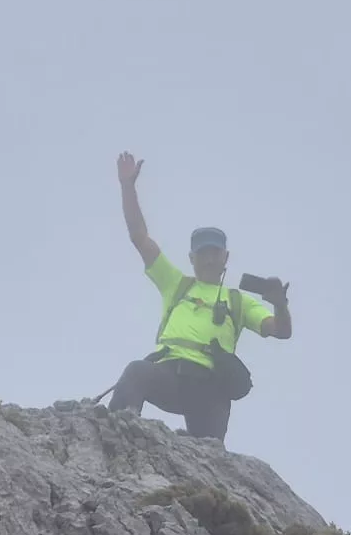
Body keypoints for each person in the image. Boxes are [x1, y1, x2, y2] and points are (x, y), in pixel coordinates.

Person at [106, 153, 291, 443]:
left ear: (225, 257)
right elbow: (139, 237)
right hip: (168, 373)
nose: (208, 258)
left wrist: (279, 304)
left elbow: (280, 331)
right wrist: (127, 187)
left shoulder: (239, 301)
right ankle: (114, 441)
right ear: (191, 257)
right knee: (137, 372)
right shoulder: (176, 284)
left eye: (214, 252)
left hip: (211, 386)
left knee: (210, 456)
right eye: (202, 253)